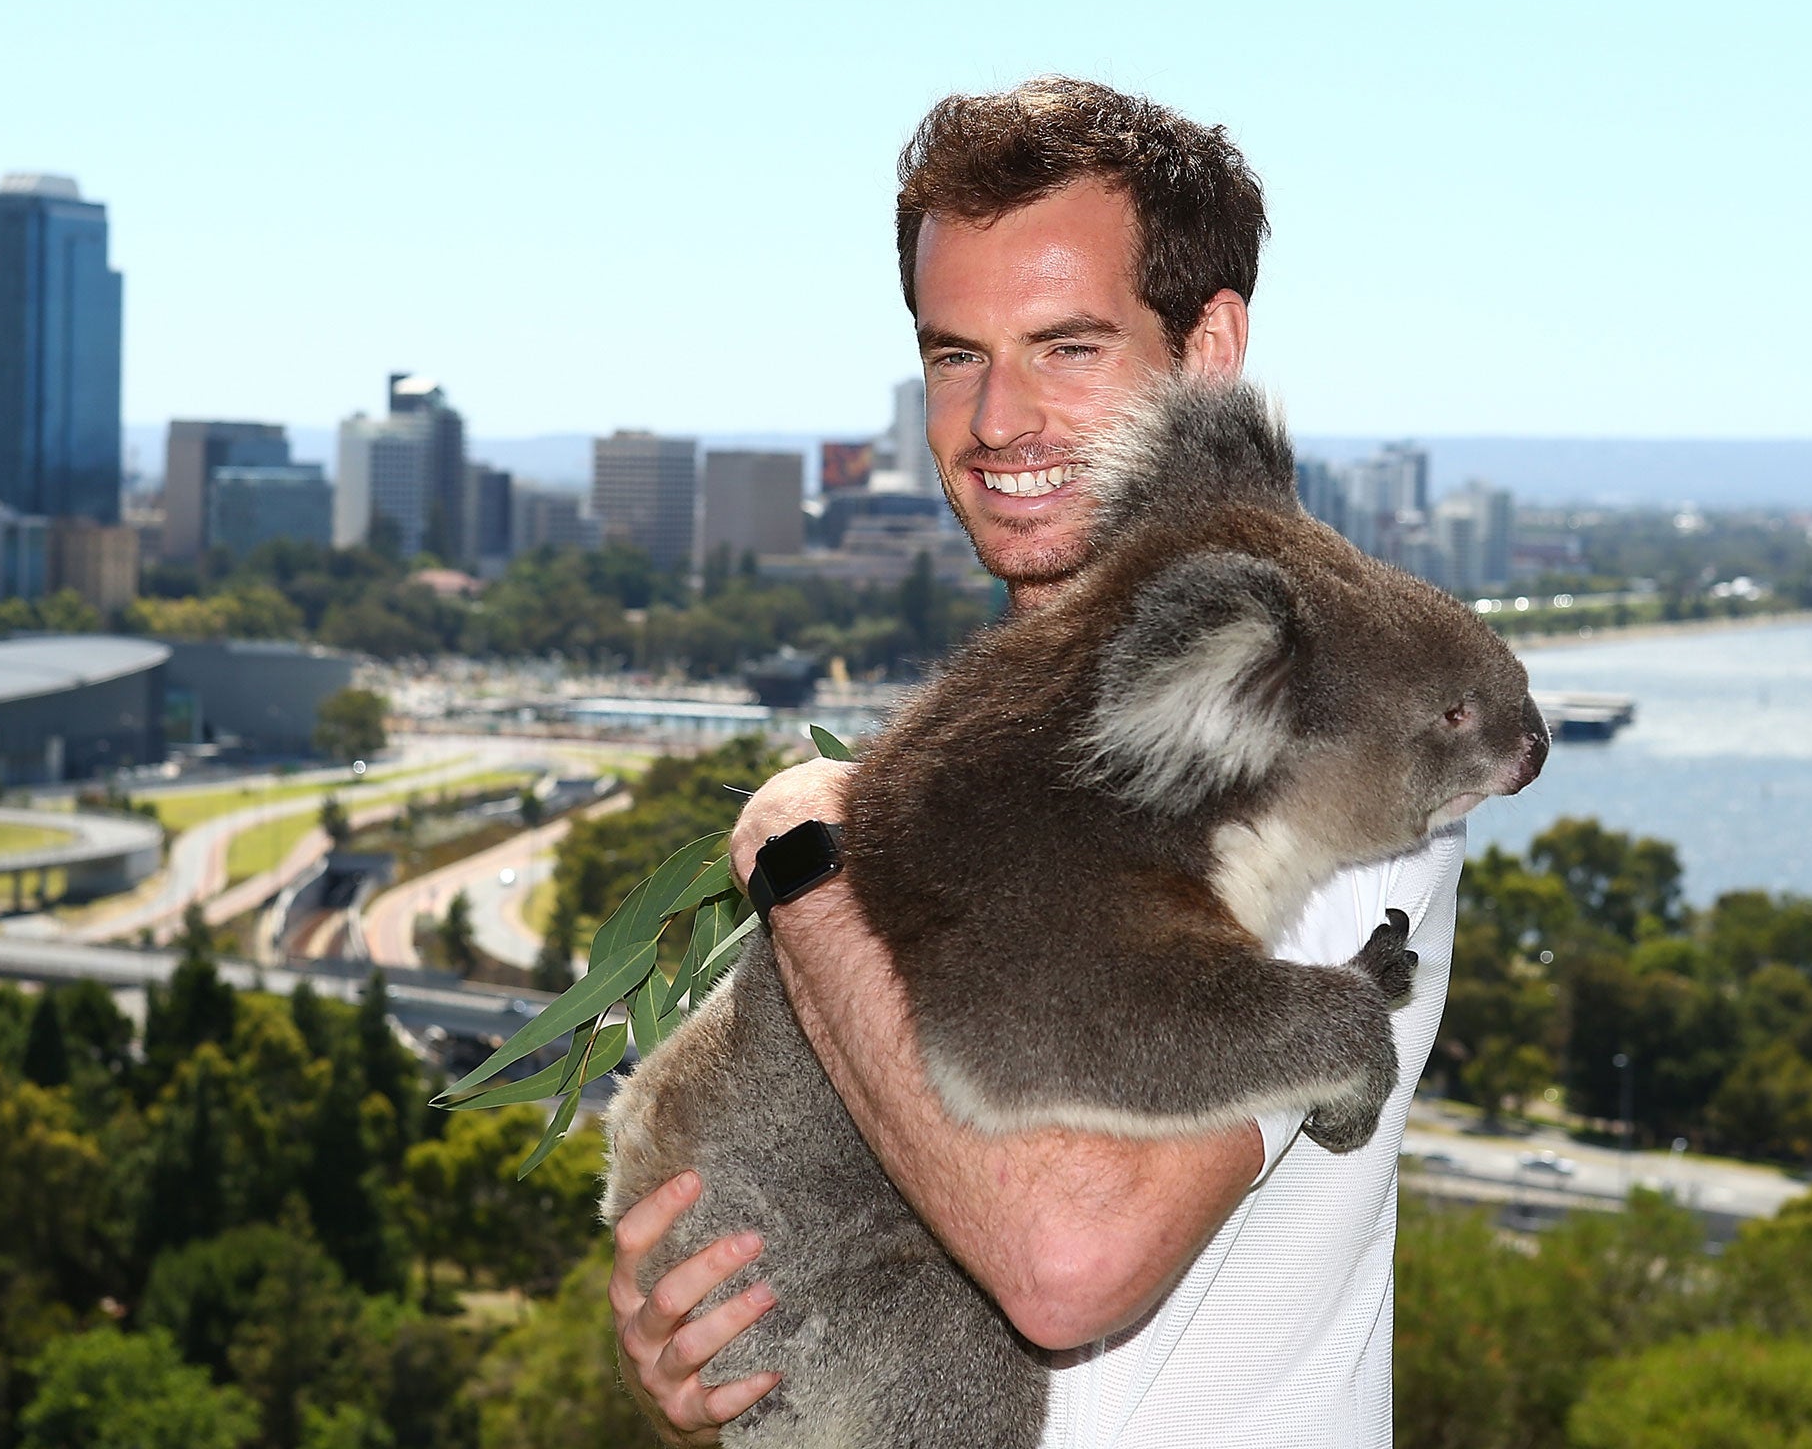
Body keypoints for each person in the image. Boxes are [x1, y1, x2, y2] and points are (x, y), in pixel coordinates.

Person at [608, 77, 1465, 1447]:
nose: (997, 420)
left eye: (1067, 346)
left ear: (1207, 351)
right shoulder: (986, 748)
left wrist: (804, 850)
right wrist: (718, 1330)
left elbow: (1067, 1262)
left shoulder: (1335, 744)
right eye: (957, 355)